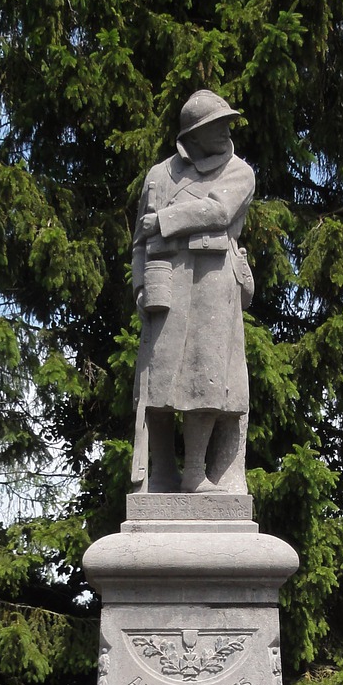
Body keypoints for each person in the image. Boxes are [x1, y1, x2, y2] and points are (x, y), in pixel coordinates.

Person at [131, 90, 255, 494]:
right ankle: (163, 472)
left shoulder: (239, 172)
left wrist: (165, 220)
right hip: (165, 283)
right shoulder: (158, 176)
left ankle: (195, 472)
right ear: (194, 134)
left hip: (213, 285)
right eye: (215, 125)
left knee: (206, 378)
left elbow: (219, 211)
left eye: (227, 123)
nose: (224, 131)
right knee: (159, 383)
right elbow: (138, 242)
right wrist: (139, 288)